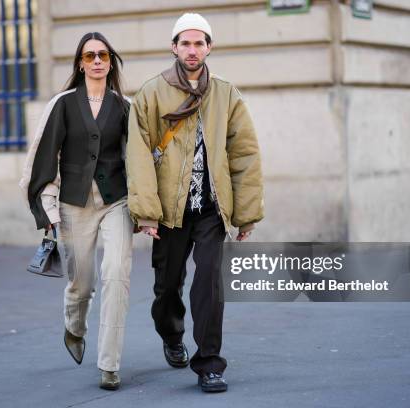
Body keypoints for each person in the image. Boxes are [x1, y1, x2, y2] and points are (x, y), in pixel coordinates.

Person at [125, 13, 264, 393]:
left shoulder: (226, 93)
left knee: (209, 284)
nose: (192, 49)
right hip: (169, 212)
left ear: (209, 47)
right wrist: (146, 212)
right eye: (185, 43)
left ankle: (209, 364)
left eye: (199, 43)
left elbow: (244, 154)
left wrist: (246, 214)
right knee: (167, 287)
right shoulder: (151, 93)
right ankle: (172, 335)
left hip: (210, 212)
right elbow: (137, 155)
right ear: (173, 47)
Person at [20, 32, 133, 391]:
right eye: (90, 55)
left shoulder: (125, 106)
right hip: (73, 204)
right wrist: (49, 209)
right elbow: (43, 157)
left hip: (117, 202)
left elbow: (139, 160)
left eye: (103, 54)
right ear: (81, 64)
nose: (97, 60)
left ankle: (110, 365)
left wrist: (147, 210)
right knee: (81, 284)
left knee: (116, 276)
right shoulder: (63, 104)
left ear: (110, 61)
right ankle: (74, 326)